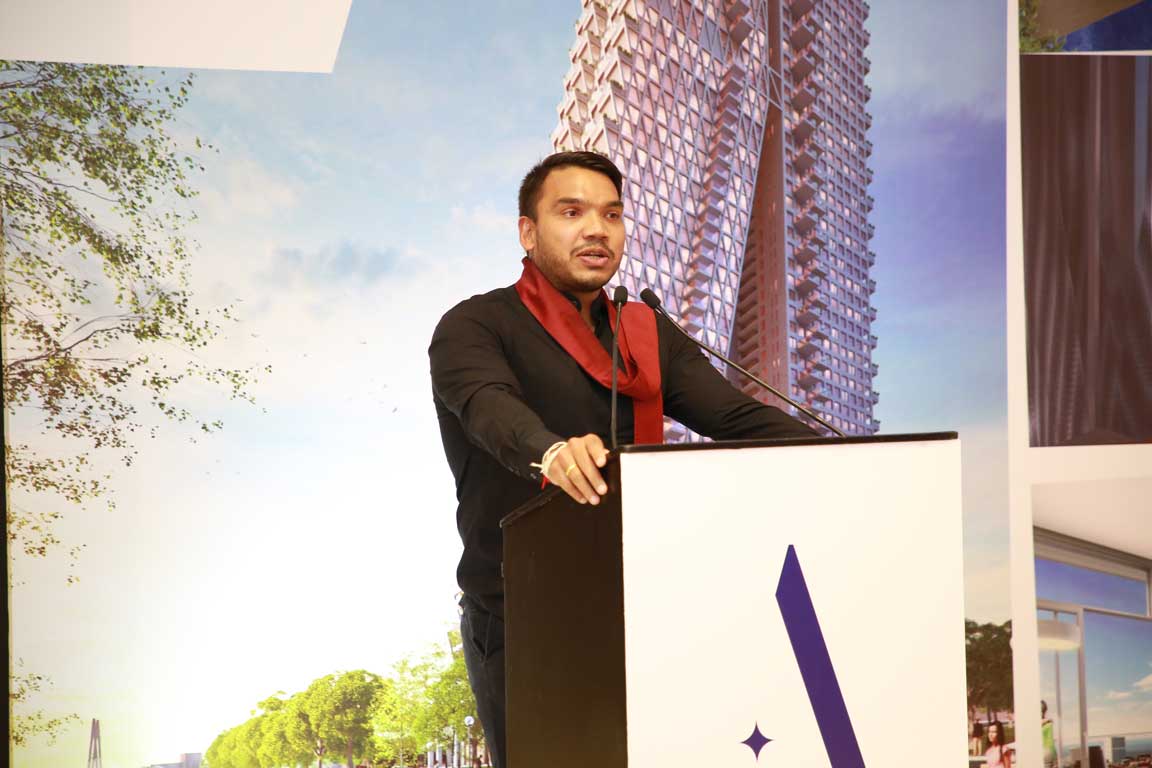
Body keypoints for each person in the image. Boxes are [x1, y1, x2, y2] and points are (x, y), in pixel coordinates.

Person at [428, 150, 819, 768]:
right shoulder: (474, 325)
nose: (597, 229)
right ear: (528, 232)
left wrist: (855, 456)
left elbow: (736, 417)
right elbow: (488, 408)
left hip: (647, 604)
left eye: (612, 214)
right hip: (522, 616)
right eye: (571, 212)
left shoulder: (646, 333)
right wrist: (551, 451)